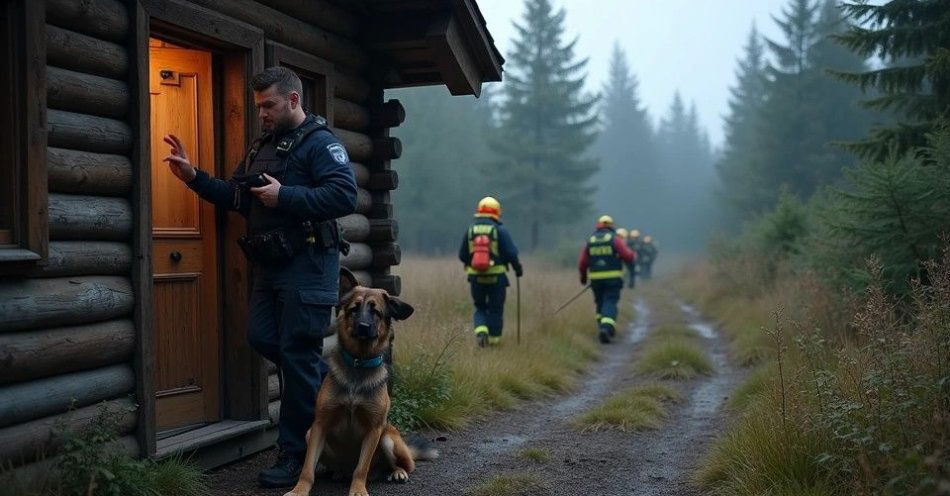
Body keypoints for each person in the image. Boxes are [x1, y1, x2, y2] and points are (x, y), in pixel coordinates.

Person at [162, 67, 357, 488]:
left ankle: (296, 454)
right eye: (258, 107)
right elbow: (237, 196)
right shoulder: (261, 146)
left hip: (308, 267)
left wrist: (284, 195)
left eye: (268, 105)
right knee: (265, 338)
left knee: (298, 354)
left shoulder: (321, 144)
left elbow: (345, 195)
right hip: (271, 268)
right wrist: (194, 177)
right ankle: (333, 392)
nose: (262, 114)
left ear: (292, 100)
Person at [458, 197, 523, 347]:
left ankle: (481, 333)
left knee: (480, 307)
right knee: (495, 309)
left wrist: (472, 265)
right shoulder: (499, 230)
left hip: (476, 278)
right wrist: (517, 269)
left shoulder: (471, 230)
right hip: (497, 278)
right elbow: (511, 253)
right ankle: (493, 344)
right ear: (496, 213)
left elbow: (462, 255)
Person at [577, 215, 635, 343]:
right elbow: (628, 256)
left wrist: (583, 277)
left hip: (596, 280)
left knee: (600, 303)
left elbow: (582, 262)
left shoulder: (590, 240)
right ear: (611, 226)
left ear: (598, 225)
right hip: (613, 279)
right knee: (610, 302)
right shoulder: (614, 239)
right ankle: (606, 328)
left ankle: (601, 328)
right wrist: (631, 256)